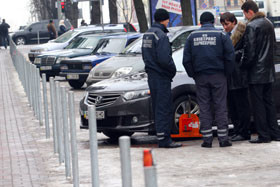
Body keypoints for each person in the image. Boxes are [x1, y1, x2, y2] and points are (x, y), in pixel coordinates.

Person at [183, 12, 235, 148]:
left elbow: (186, 60)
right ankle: (223, 139)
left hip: (201, 76)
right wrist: (226, 73)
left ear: (200, 23)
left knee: (204, 106)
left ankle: (207, 139)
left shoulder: (191, 37)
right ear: (213, 22)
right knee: (220, 105)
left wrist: (193, 74)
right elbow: (230, 56)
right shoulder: (221, 35)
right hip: (219, 75)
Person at [142, 8, 182, 148]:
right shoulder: (161, 36)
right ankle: (165, 139)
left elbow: (145, 56)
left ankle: (161, 136)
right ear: (165, 20)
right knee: (164, 108)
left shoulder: (148, 34)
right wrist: (172, 70)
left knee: (157, 107)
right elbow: (165, 59)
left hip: (152, 76)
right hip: (161, 76)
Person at [241, 1, 280, 143]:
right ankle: (275, 133)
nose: (245, 17)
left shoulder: (251, 26)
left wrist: (243, 65)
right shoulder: (268, 23)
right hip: (269, 71)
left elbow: (250, 52)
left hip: (256, 73)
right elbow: (274, 47)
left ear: (249, 11)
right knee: (269, 103)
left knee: (258, 105)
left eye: (245, 14)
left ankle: (264, 135)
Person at [220, 12, 251, 142]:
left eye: (226, 24)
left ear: (233, 22)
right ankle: (238, 130)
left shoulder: (242, 33)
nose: (225, 27)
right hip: (230, 75)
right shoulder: (226, 35)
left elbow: (246, 51)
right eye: (223, 24)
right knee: (233, 106)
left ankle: (244, 131)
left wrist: (230, 55)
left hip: (239, 75)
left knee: (241, 105)